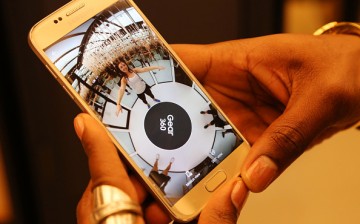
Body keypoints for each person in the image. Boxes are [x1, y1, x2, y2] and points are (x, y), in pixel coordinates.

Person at [76, 23, 360, 223]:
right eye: (124, 68)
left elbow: (147, 68)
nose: (126, 69)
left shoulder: (135, 71)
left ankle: (155, 106)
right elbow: (125, 91)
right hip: (144, 97)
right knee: (151, 103)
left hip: (149, 94)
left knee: (153, 101)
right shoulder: (126, 80)